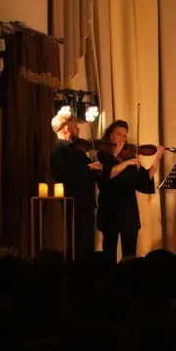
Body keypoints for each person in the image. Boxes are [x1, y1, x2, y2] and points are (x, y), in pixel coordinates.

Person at [96, 120, 163, 261]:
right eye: (119, 134)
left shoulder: (129, 156)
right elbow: (106, 175)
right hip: (110, 209)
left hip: (129, 211)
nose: (122, 138)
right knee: (109, 253)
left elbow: (145, 180)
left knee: (130, 255)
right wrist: (125, 162)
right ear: (110, 135)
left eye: (124, 136)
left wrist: (157, 158)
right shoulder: (101, 155)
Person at [49, 111, 102, 260]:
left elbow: (90, 170)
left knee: (88, 250)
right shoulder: (59, 152)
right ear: (67, 129)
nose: (78, 129)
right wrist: (90, 168)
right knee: (77, 249)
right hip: (74, 205)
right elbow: (65, 178)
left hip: (86, 204)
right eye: (76, 126)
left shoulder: (76, 150)